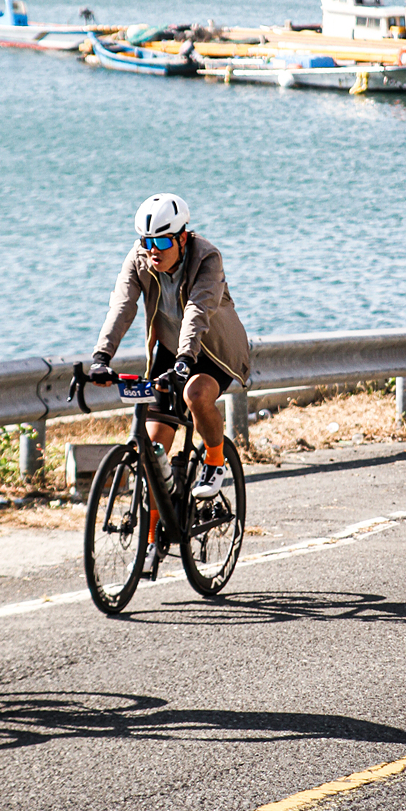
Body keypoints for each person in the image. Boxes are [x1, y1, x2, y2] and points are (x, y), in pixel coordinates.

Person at [89, 194, 250, 577]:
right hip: (170, 350)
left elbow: (198, 310)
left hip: (213, 349)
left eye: (162, 241)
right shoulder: (139, 258)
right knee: (153, 447)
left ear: (182, 237)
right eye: (147, 241)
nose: (153, 249)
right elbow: (122, 306)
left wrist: (185, 360)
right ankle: (150, 542)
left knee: (195, 394)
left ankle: (214, 461)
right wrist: (101, 356)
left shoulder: (207, 258)